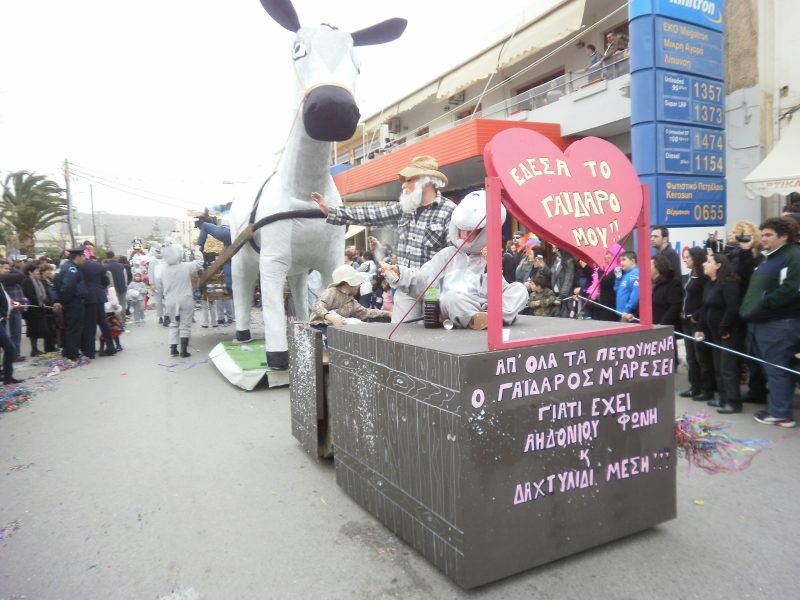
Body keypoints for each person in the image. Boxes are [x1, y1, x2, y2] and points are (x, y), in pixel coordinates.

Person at [311, 155, 456, 323]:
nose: (404, 185)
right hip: (405, 288)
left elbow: (455, 257)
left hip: (434, 289)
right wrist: (332, 211)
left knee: (434, 333)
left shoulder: (450, 211)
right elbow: (371, 214)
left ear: (426, 181)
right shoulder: (405, 209)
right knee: (400, 333)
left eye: (409, 180)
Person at [383, 190, 528, 330]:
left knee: (520, 289)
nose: (464, 235)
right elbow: (424, 279)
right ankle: (480, 318)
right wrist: (401, 274)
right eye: (460, 229)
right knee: (451, 298)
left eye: (470, 231)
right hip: (458, 305)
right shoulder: (447, 254)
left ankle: (490, 316)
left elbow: (501, 289)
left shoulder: (491, 257)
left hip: (487, 305)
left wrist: (492, 266)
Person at [740, 217, 800, 428]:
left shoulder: (793, 256)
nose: (763, 238)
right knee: (775, 368)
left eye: (768, 235)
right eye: (762, 234)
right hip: (764, 321)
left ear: (783, 236)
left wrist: (765, 303)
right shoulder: (770, 257)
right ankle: (778, 409)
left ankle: (781, 414)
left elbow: (792, 288)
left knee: (777, 368)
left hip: (779, 323)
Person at [696, 254, 743, 414]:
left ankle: (733, 402)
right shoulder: (710, 283)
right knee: (718, 367)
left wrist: (724, 328)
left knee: (728, 368)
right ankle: (723, 399)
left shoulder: (729, 283)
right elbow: (706, 307)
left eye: (709, 261)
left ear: (718, 265)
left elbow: (732, 308)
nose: (704, 264)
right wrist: (700, 327)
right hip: (713, 333)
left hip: (728, 333)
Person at [679, 246, 715, 401]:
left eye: (688, 257)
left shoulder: (703, 277)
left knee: (702, 357)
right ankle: (695, 387)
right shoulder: (691, 274)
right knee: (691, 357)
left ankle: (707, 389)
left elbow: (707, 300)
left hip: (697, 322)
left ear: (695, 258)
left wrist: (697, 315)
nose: (685, 259)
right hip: (686, 321)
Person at [308, 264, 391, 327]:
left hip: (334, 330)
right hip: (319, 328)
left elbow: (365, 312)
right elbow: (317, 305)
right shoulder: (332, 292)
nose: (359, 285)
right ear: (350, 283)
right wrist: (331, 318)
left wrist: (388, 313)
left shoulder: (350, 301)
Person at [161, 245, 203, 358]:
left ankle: (173, 349)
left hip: (170, 300)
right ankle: (183, 350)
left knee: (173, 324)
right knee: (185, 324)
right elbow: (199, 263)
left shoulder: (163, 268)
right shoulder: (186, 266)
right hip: (185, 298)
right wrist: (197, 251)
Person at [55, 247, 88, 361]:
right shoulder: (72, 269)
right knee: (74, 328)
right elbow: (68, 287)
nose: (84, 258)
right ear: (78, 256)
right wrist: (65, 301)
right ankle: (72, 353)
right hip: (74, 302)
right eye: (83, 256)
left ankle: (69, 351)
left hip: (72, 302)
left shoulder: (67, 266)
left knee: (72, 328)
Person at [21, 263, 55, 356]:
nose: (38, 272)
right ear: (30, 272)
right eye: (36, 271)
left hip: (39, 309)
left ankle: (37, 349)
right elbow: (29, 295)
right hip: (32, 309)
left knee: (40, 329)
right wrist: (39, 303)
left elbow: (42, 294)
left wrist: (45, 302)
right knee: (33, 330)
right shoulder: (27, 281)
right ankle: (34, 349)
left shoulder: (37, 280)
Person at [587, 243, 623, 321]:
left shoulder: (618, 269)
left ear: (615, 255)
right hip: (600, 304)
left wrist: (601, 268)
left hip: (610, 305)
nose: (604, 256)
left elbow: (605, 282)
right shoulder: (604, 268)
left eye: (607, 254)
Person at [0, 275, 23, 384]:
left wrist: (10, 306)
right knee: (10, 347)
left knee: (9, 348)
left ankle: (7, 377)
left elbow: (5, 299)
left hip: (2, 319)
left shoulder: (1, 283)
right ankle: (7, 377)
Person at [651, 255, 682, 331]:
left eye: (649, 265)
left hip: (666, 329)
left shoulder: (673, 283)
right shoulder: (650, 284)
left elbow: (675, 307)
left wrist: (662, 324)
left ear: (658, 267)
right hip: (652, 327)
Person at [549, 246, 575, 317]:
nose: (552, 250)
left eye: (553, 246)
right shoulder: (555, 260)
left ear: (558, 248)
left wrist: (561, 297)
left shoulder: (569, 261)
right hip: (555, 295)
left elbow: (568, 281)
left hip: (565, 298)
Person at [615, 251, 639, 321]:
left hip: (628, 314)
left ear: (632, 261)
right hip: (621, 313)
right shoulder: (626, 274)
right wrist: (618, 279)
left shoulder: (635, 273)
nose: (621, 263)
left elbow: (635, 295)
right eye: (620, 261)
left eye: (624, 260)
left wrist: (627, 310)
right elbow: (616, 290)